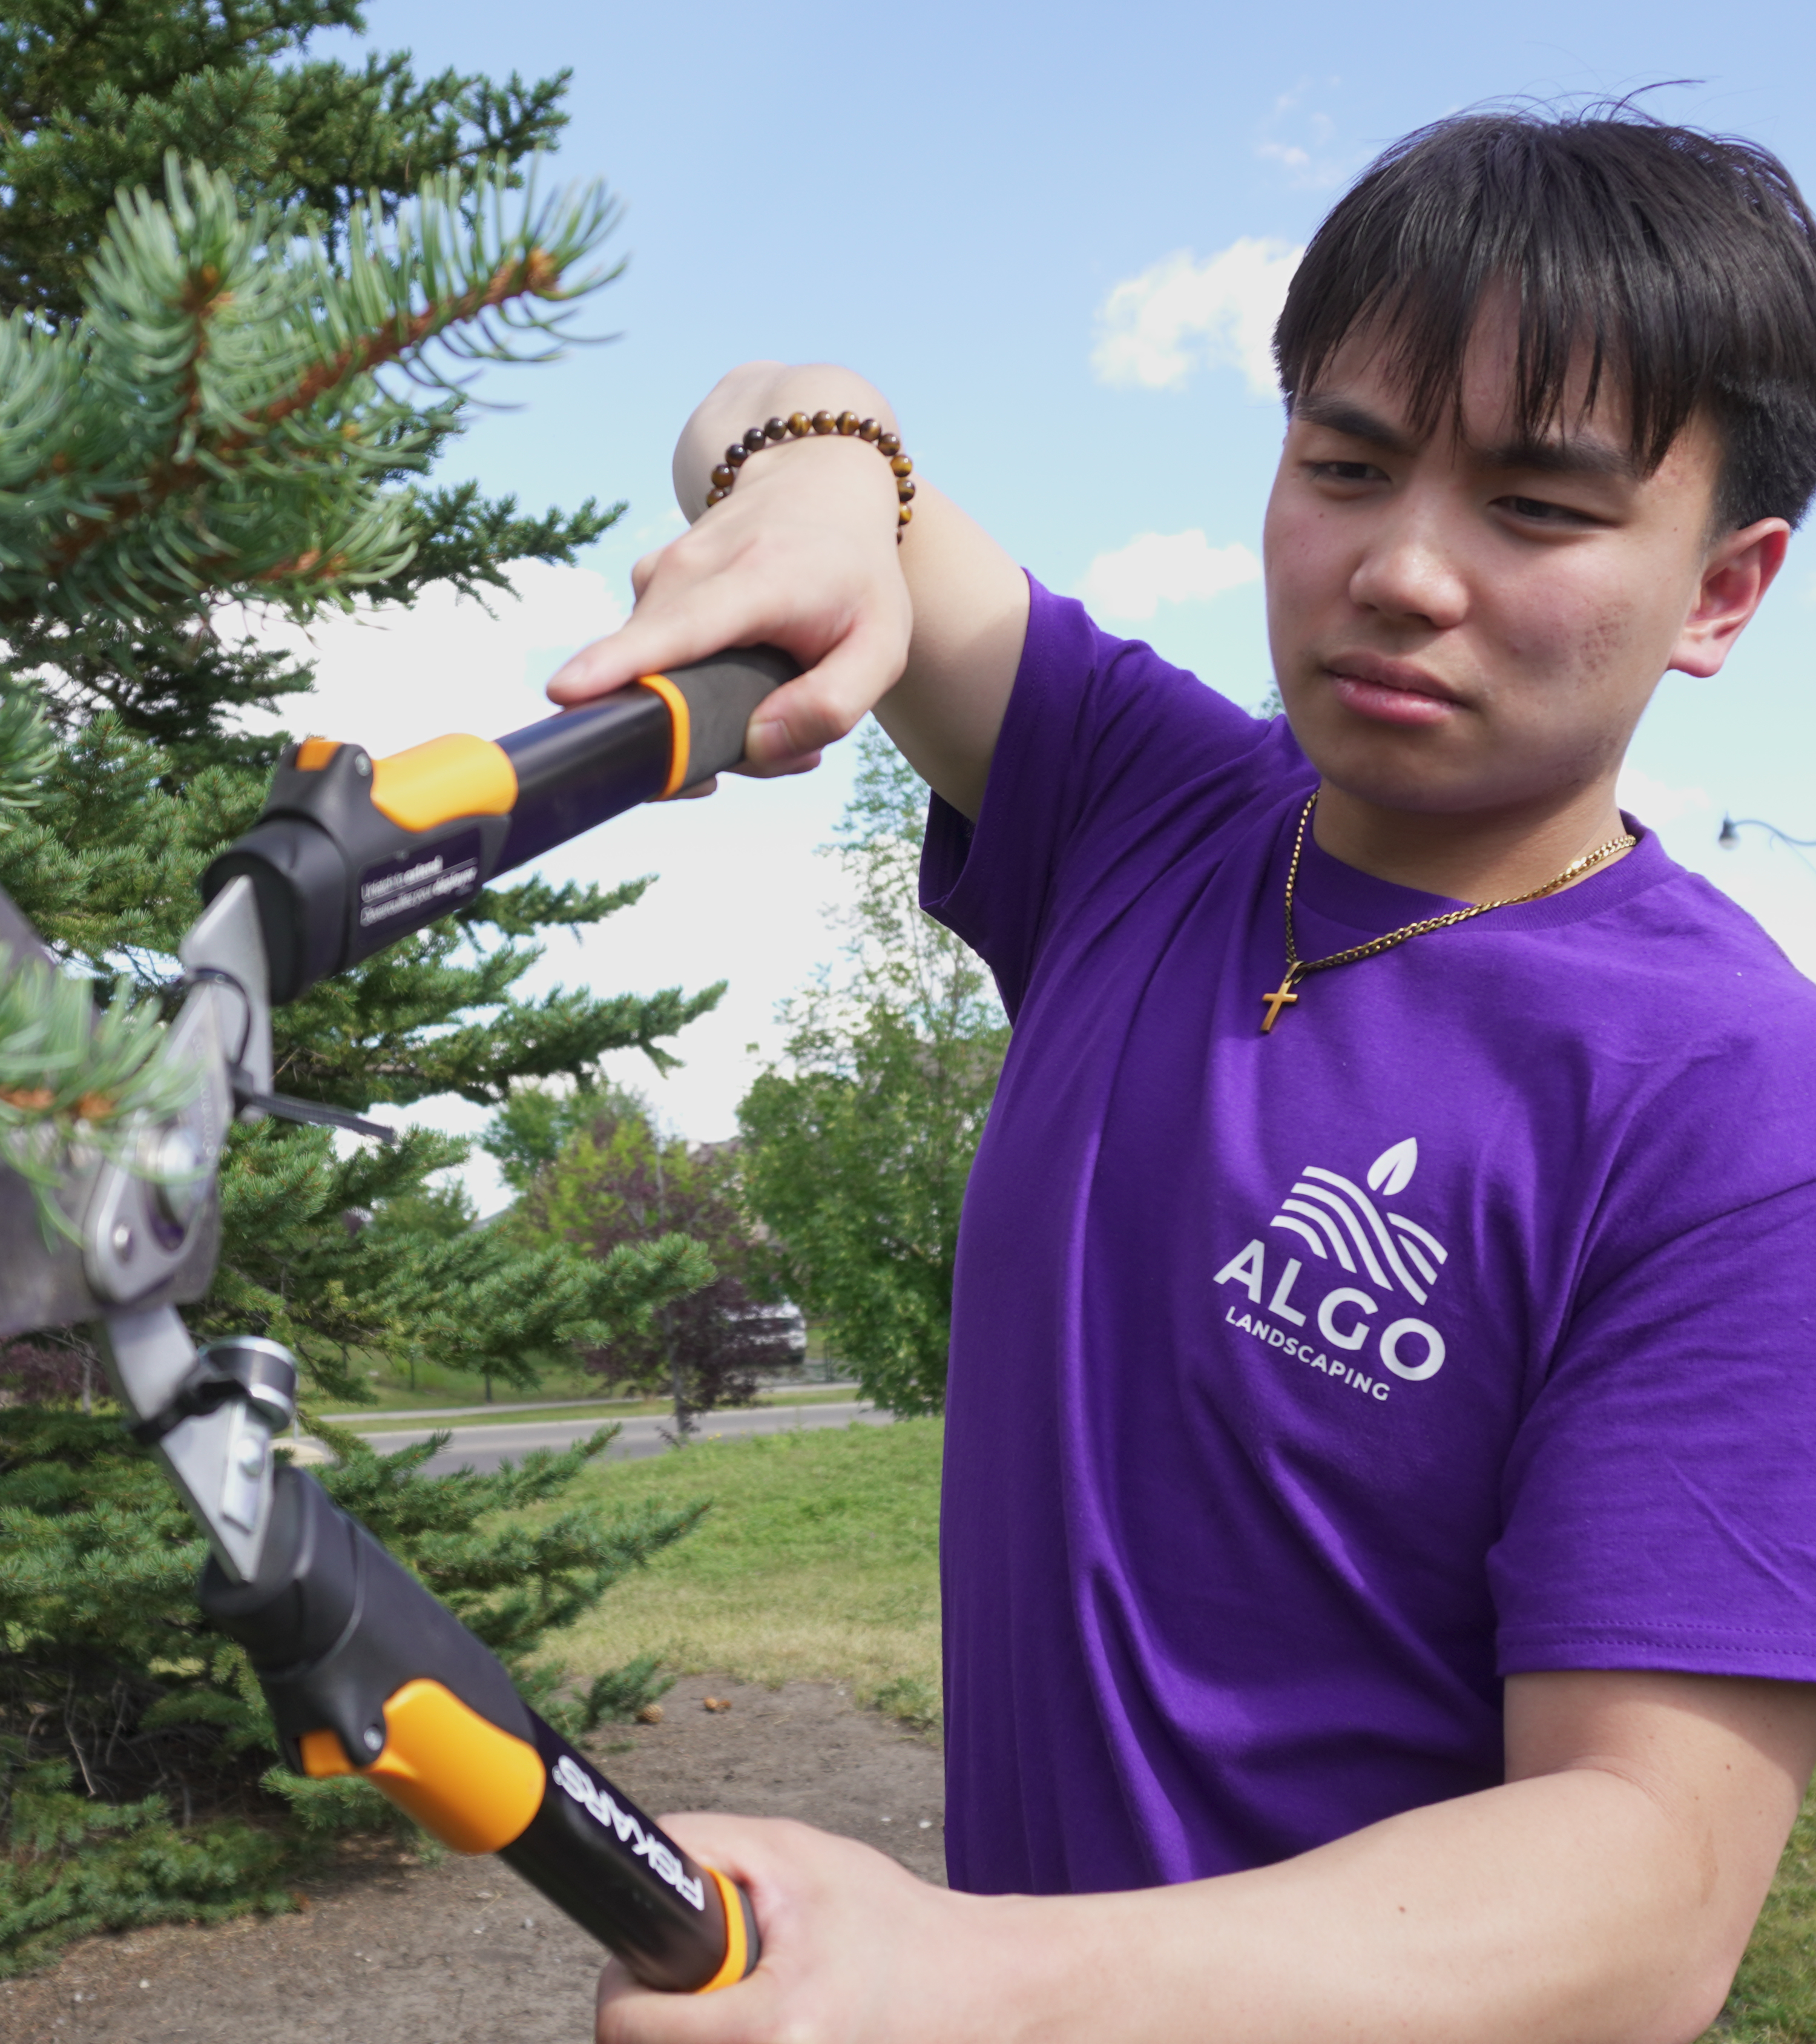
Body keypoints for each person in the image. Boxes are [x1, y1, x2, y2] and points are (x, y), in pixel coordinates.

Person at [552, 108, 1816, 2044]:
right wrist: (822, 487)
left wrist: (979, 1979)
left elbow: (1649, 1885)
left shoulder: (1734, 1099)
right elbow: (770, 400)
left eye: (1537, 510)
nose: (1399, 569)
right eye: (1346, 462)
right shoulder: (1141, 804)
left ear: (1724, 591)